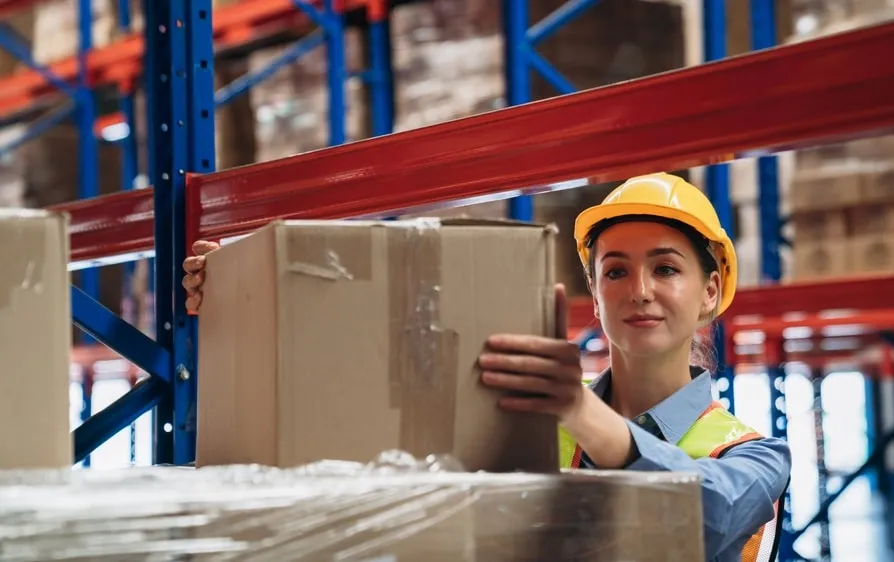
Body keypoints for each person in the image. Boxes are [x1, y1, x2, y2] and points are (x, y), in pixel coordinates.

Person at [182, 172, 792, 562]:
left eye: (665, 269)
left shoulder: (754, 457)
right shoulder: (532, 401)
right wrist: (245, 298)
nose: (638, 290)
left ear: (710, 292)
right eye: (616, 271)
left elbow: (703, 520)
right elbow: (367, 409)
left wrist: (581, 412)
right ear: (595, 290)